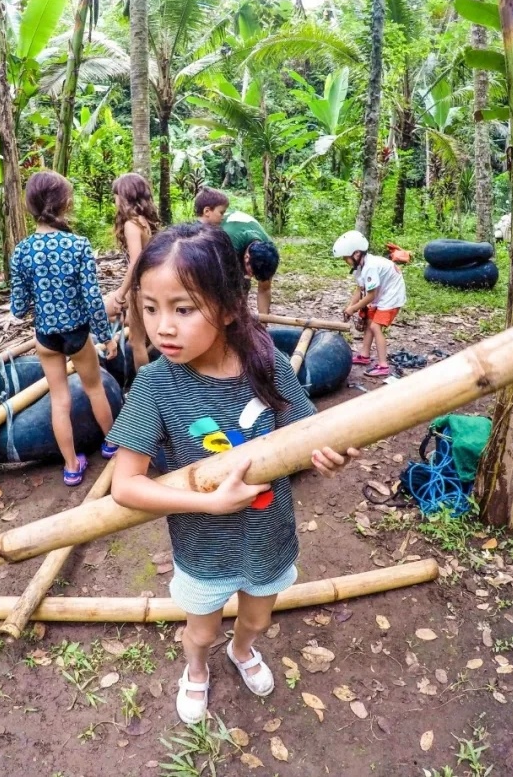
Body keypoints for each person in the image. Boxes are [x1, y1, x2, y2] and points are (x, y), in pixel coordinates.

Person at [106, 223, 358, 724]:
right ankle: (196, 668)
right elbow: (125, 485)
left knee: (257, 619)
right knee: (200, 629)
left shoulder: (266, 362)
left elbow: (309, 435)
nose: (163, 328)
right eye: (150, 308)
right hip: (203, 545)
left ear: (226, 306)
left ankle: (242, 653)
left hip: (268, 536)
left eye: (182, 308)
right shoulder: (155, 384)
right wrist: (210, 503)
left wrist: (331, 455)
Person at [10, 171, 119, 486]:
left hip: (45, 336)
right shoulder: (78, 245)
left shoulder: (22, 251)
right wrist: (106, 337)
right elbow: (93, 301)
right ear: (64, 202)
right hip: (76, 333)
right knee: (94, 388)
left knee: (59, 399)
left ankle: (71, 467)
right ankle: (111, 443)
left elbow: (18, 310)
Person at [105, 173, 163, 371]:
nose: (114, 200)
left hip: (141, 286)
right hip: (151, 284)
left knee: (136, 342)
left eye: (116, 195)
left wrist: (121, 294)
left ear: (123, 196)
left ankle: (142, 390)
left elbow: (136, 262)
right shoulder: (145, 221)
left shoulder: (131, 224)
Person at [195, 188, 280, 315]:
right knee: (234, 287)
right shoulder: (227, 242)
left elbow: (264, 289)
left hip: (241, 238)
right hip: (223, 242)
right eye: (250, 271)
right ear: (246, 257)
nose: (251, 276)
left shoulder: (268, 253)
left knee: (244, 284)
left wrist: (263, 323)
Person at [333, 230, 406, 378]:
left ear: (357, 254)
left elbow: (371, 295)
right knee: (369, 321)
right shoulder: (359, 268)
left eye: (346, 258)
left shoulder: (370, 267)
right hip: (382, 293)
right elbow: (360, 289)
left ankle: (383, 365)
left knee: (375, 326)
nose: (344, 261)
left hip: (392, 295)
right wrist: (350, 306)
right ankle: (364, 355)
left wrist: (354, 308)